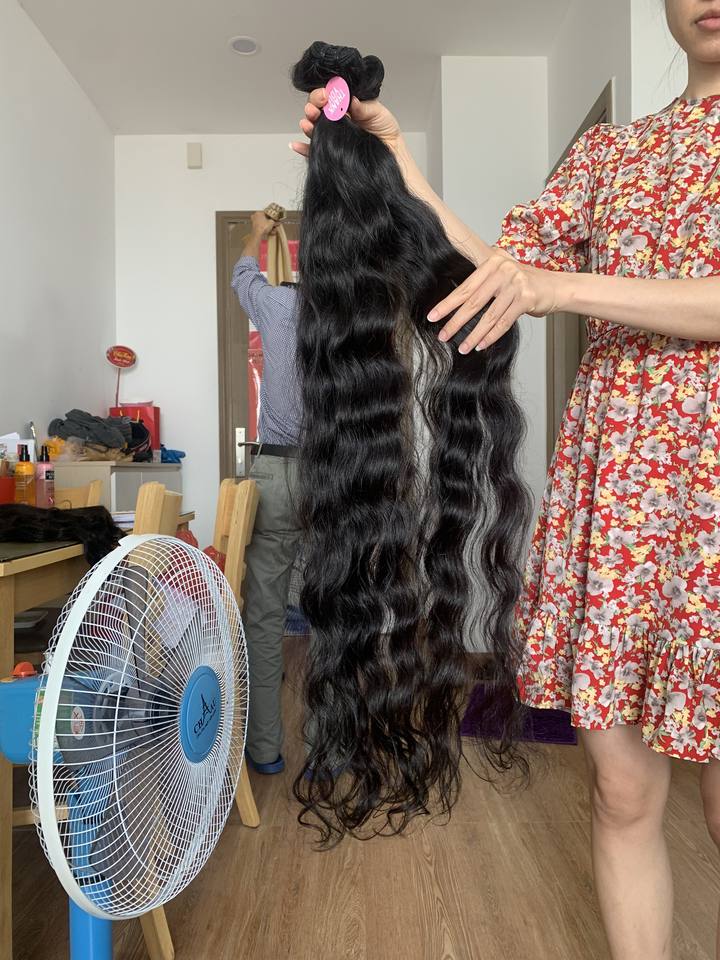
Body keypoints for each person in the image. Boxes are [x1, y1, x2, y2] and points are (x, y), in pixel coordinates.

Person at [293, 2, 720, 956]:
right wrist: (396, 161)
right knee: (620, 789)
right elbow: (499, 270)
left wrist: (557, 287)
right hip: (622, 495)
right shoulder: (612, 155)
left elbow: (545, 285)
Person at [231, 211, 302, 775]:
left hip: (276, 472)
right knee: (336, 616)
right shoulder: (352, 312)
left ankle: (264, 751)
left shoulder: (278, 307)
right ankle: (329, 751)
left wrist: (258, 230)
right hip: (336, 477)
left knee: (265, 619)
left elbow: (242, 275)